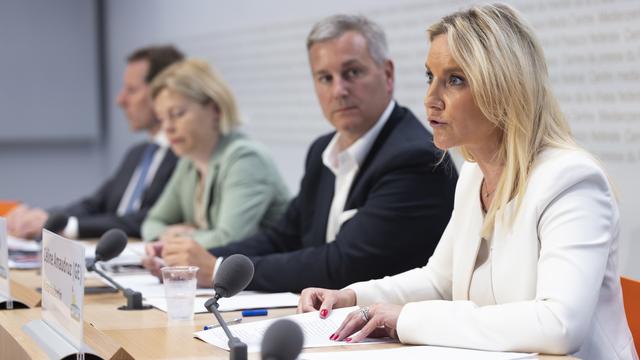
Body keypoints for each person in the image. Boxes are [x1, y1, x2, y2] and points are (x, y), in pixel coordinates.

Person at [298, 4, 638, 359]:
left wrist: (408, 318)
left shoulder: (571, 181)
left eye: (455, 80)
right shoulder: (474, 176)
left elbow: (559, 325)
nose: (431, 99)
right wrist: (354, 297)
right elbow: (439, 281)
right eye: (431, 77)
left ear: (504, 88)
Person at [143, 15, 457, 292]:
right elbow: (282, 236)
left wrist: (220, 269)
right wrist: (199, 258)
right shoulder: (322, 150)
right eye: (325, 78)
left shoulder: (414, 158)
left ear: (387, 75)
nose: (338, 90)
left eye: (352, 73)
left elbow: (344, 264)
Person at [7, 45, 183, 239]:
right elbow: (94, 204)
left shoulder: (185, 155)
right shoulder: (137, 153)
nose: (120, 100)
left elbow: (145, 220)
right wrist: (46, 218)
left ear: (163, 93)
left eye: (132, 90)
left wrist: (69, 227)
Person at [141, 59, 290, 283]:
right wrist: (169, 237)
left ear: (215, 109)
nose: (168, 128)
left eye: (178, 114)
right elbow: (152, 221)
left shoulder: (246, 158)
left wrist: (179, 236)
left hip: (270, 284)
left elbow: (228, 238)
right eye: (162, 119)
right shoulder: (189, 162)